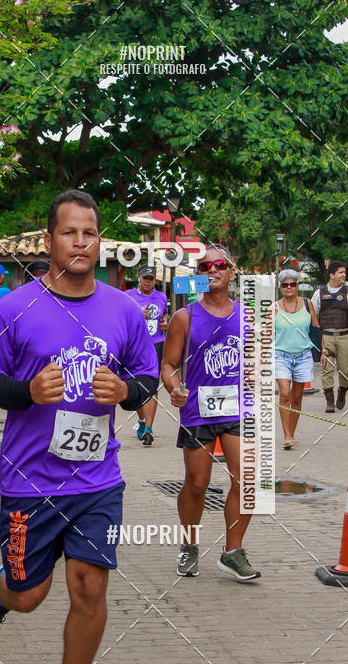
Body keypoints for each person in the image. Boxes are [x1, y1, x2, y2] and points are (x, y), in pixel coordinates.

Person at [0, 190, 158, 664]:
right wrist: (26, 391)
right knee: (31, 595)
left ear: (100, 242)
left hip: (98, 480)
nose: (81, 242)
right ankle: (1, 594)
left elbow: (146, 379)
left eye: (90, 233)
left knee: (90, 588)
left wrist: (126, 390)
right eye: (70, 233)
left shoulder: (124, 309)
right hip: (30, 482)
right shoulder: (14, 307)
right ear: (49, 241)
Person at [161, 244, 261, 582]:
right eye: (205, 266)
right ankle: (189, 545)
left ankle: (233, 552)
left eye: (220, 264)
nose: (212, 269)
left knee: (247, 480)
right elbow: (169, 365)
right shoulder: (184, 316)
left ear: (232, 271)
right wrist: (174, 388)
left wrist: (255, 374)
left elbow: (252, 360)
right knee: (197, 483)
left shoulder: (247, 314)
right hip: (198, 409)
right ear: (199, 275)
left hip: (238, 407)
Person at [274, 269, 323, 446]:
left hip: (303, 356)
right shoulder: (274, 307)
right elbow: (266, 336)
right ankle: (287, 436)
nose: (289, 287)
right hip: (281, 356)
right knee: (284, 394)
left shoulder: (307, 303)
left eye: (292, 284)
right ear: (280, 287)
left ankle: (291, 433)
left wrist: (323, 352)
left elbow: (316, 328)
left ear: (297, 286)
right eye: (285, 285)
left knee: (296, 397)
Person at [125, 265, 168, 445]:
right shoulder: (129, 296)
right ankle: (142, 421)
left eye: (151, 279)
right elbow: (123, 319)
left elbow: (164, 317)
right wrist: (137, 315)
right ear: (139, 278)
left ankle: (149, 428)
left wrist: (165, 323)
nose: (148, 282)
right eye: (145, 278)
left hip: (156, 343)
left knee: (152, 385)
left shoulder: (162, 297)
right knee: (137, 384)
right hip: (136, 344)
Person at [311, 260, 348, 412]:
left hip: (344, 335)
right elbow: (313, 316)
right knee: (326, 368)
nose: (344, 275)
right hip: (326, 336)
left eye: (345, 272)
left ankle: (342, 392)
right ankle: (329, 402)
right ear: (332, 275)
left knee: (345, 370)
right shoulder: (319, 293)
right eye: (340, 272)